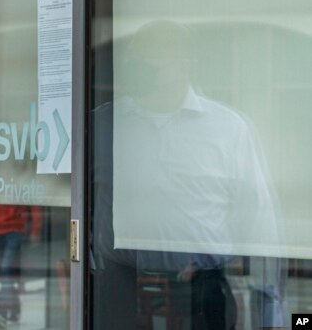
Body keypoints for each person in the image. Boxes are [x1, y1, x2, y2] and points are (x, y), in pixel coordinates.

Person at [91, 21, 285, 329]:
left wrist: (268, 310)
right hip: (120, 289)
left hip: (201, 294)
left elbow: (259, 220)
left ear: (186, 63)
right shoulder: (104, 125)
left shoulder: (228, 129)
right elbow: (77, 202)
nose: (143, 65)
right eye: (138, 57)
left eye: (156, 56)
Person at [0, 195, 42, 327]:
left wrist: (35, 230)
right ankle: (14, 309)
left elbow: (34, 202)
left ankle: (0, 313)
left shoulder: (19, 177)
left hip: (15, 231)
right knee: (5, 274)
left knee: (6, 273)